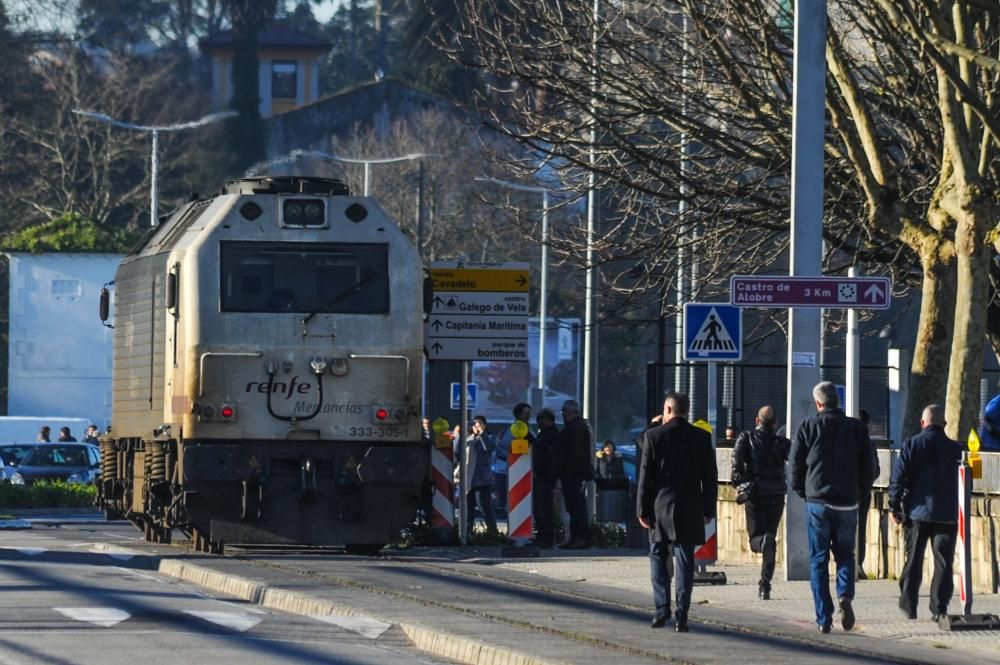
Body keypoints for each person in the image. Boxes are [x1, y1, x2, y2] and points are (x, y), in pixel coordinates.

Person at [790, 381, 874, 634]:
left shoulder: (808, 427)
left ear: (818, 403)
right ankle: (845, 595)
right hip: (848, 502)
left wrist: (802, 490)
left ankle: (823, 618)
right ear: (838, 401)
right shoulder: (857, 428)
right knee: (846, 554)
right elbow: (867, 465)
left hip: (818, 501)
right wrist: (861, 492)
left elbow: (795, 464)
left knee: (818, 560)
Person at [637, 392, 717, 633]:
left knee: (658, 557)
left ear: (668, 410)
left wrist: (642, 509)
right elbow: (710, 478)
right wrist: (708, 509)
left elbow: (645, 477)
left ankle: (662, 609)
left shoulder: (653, 436)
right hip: (690, 506)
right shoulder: (702, 438)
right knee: (685, 560)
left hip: (660, 507)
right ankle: (682, 615)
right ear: (686, 411)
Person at [888, 404, 961, 621]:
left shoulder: (912, 445)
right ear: (944, 424)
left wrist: (894, 506)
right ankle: (939, 608)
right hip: (947, 513)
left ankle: (909, 604)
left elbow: (898, 478)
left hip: (917, 513)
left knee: (914, 560)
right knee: (944, 562)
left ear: (922, 423)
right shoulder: (956, 449)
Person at [730, 405, 789, 600]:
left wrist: (744, 483)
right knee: (770, 538)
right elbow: (798, 461)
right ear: (775, 424)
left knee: (756, 539)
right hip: (777, 494)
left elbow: (735, 471)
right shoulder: (782, 443)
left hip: (756, 495)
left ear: (757, 421)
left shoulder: (746, 438)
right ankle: (765, 585)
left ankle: (763, 547)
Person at [557, 399, 594, 549]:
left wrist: (569, 471)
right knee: (573, 507)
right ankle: (575, 538)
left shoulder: (576, 428)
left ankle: (581, 538)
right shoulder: (578, 426)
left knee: (576, 507)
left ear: (573, 412)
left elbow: (575, 452)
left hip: (574, 473)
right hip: (574, 472)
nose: (563, 413)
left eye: (565, 411)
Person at [494, 403, 532, 517]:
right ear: (518, 414)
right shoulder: (512, 431)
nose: (529, 416)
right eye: (526, 413)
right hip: (513, 472)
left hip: (525, 473)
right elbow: (501, 450)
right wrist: (515, 458)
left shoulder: (528, 430)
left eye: (529, 413)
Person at [856, 409, 880, 580]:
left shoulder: (842, 442)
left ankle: (846, 564)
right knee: (860, 528)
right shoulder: (870, 445)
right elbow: (875, 469)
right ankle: (858, 564)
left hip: (842, 493)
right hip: (863, 493)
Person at [530, 408, 560, 548]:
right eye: (539, 418)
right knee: (540, 508)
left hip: (545, 477)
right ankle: (542, 536)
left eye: (542, 418)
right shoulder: (544, 434)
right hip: (542, 476)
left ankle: (546, 538)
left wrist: (542, 473)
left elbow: (550, 458)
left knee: (544, 508)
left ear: (550, 420)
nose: (539, 421)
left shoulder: (551, 436)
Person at [464, 415, 498, 538]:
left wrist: (482, 434)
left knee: (484, 507)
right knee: (468, 509)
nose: (476, 426)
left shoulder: (490, 437)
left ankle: (493, 533)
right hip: (468, 478)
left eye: (479, 423)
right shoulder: (468, 439)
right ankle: (467, 533)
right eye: (474, 424)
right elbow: (458, 451)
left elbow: (490, 448)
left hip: (483, 479)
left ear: (485, 425)